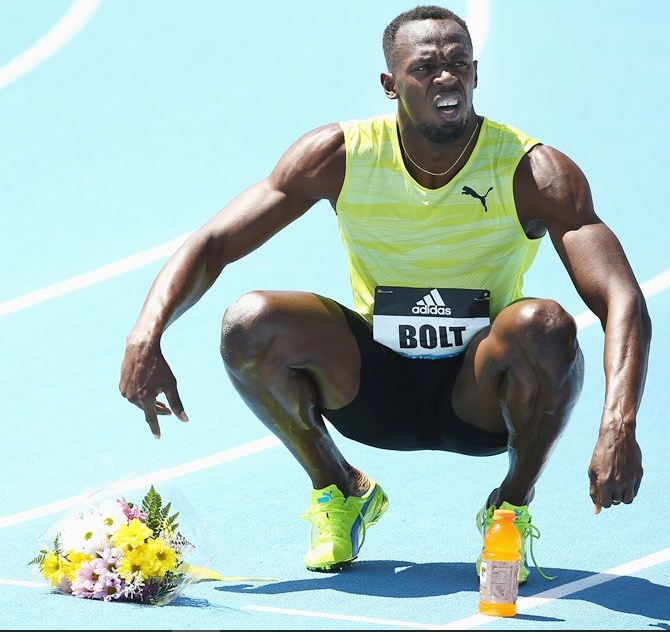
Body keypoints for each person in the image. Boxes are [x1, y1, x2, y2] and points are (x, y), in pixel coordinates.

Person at [119, 5, 651, 583]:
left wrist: (618, 424)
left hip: (477, 393)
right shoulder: (340, 155)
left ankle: (509, 512)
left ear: (476, 73)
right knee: (252, 322)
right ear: (390, 84)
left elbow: (621, 298)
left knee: (545, 326)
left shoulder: (534, 171)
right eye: (425, 67)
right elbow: (214, 241)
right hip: (375, 387)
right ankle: (339, 489)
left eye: (459, 64)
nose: (446, 77)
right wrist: (147, 333)